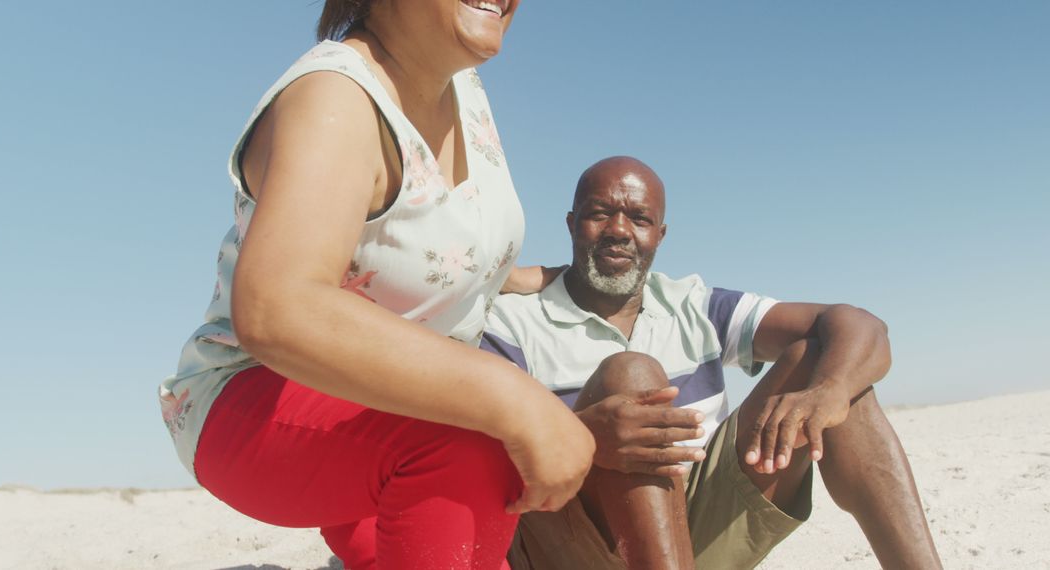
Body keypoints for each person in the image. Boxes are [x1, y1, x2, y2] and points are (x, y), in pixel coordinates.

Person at [157, 2, 595, 569]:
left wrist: (517, 277)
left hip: (384, 409)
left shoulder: (463, 88)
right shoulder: (334, 100)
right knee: (477, 438)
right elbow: (278, 308)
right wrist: (512, 396)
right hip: (258, 402)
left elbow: (417, 242)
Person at [482, 156, 944, 569]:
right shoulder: (514, 322)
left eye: (639, 218)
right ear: (571, 223)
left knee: (831, 362)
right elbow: (476, 453)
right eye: (600, 213)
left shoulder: (693, 305)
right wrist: (583, 438)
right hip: (573, 542)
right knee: (631, 374)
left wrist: (831, 391)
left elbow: (859, 326)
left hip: (696, 530)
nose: (619, 230)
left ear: (659, 236)